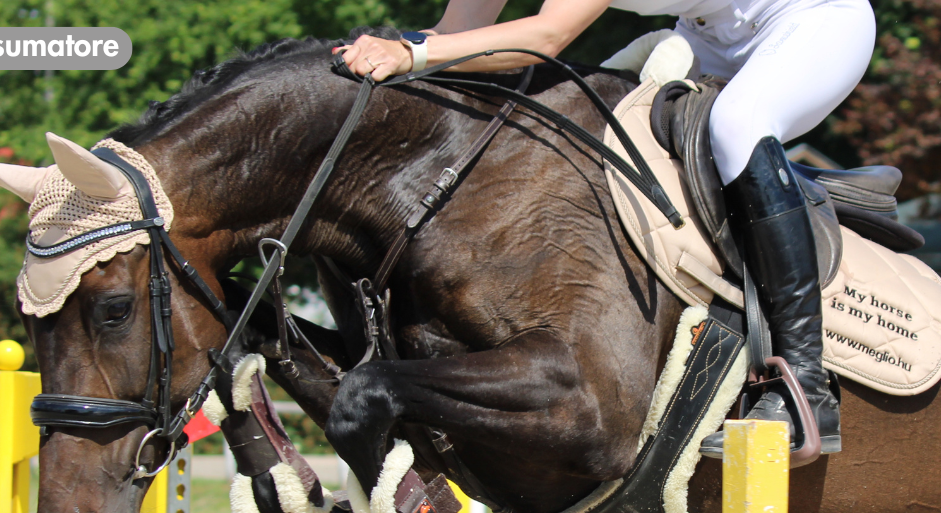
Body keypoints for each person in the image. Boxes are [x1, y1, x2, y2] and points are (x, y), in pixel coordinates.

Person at [336, 0, 875, 455]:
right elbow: (454, 41)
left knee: (736, 126)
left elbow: (546, 36)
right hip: (708, 35)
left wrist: (409, 51)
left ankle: (808, 383)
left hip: (811, 21)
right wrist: (378, 51)